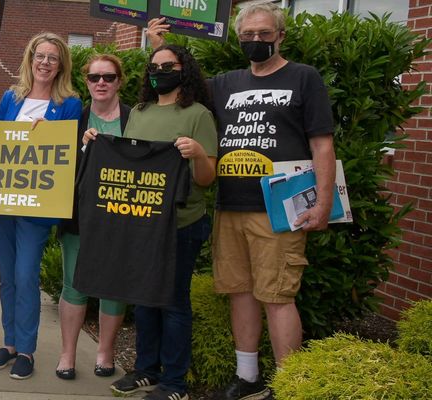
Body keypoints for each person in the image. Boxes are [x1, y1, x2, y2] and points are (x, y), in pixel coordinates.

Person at [147, 4, 336, 399]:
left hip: (279, 208)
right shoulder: (225, 83)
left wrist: (321, 200)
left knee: (278, 297)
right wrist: (160, 47)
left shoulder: (304, 77)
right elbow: (182, 84)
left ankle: (290, 386)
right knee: (240, 292)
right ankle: (247, 375)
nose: (256, 41)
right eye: (247, 35)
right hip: (229, 204)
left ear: (280, 35)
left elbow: (322, 143)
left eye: (264, 34)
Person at [100, 44, 216, 400]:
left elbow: (207, 178)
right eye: (154, 66)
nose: (160, 71)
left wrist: (196, 153)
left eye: (169, 65)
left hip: (182, 223)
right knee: (144, 299)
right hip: (142, 222)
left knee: (173, 301)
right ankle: (146, 370)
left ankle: (175, 383)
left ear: (185, 70)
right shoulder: (139, 111)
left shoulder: (199, 115)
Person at [0, 32, 82, 380]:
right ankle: (9, 343)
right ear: (30, 58)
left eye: (53, 57)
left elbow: (65, 151)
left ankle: (26, 349)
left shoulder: (69, 102)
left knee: (25, 276)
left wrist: (50, 131)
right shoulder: (11, 96)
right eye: (40, 55)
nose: (45, 62)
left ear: (61, 64)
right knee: (7, 278)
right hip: (4, 201)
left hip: (37, 204)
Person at [55, 53, 132, 381]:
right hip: (78, 216)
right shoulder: (74, 121)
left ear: (119, 81)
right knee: (74, 284)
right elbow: (56, 167)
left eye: (109, 77)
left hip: (122, 216)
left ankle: (105, 351)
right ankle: (67, 353)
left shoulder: (135, 118)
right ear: (86, 82)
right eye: (94, 77)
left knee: (114, 286)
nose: (101, 83)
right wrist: (81, 148)